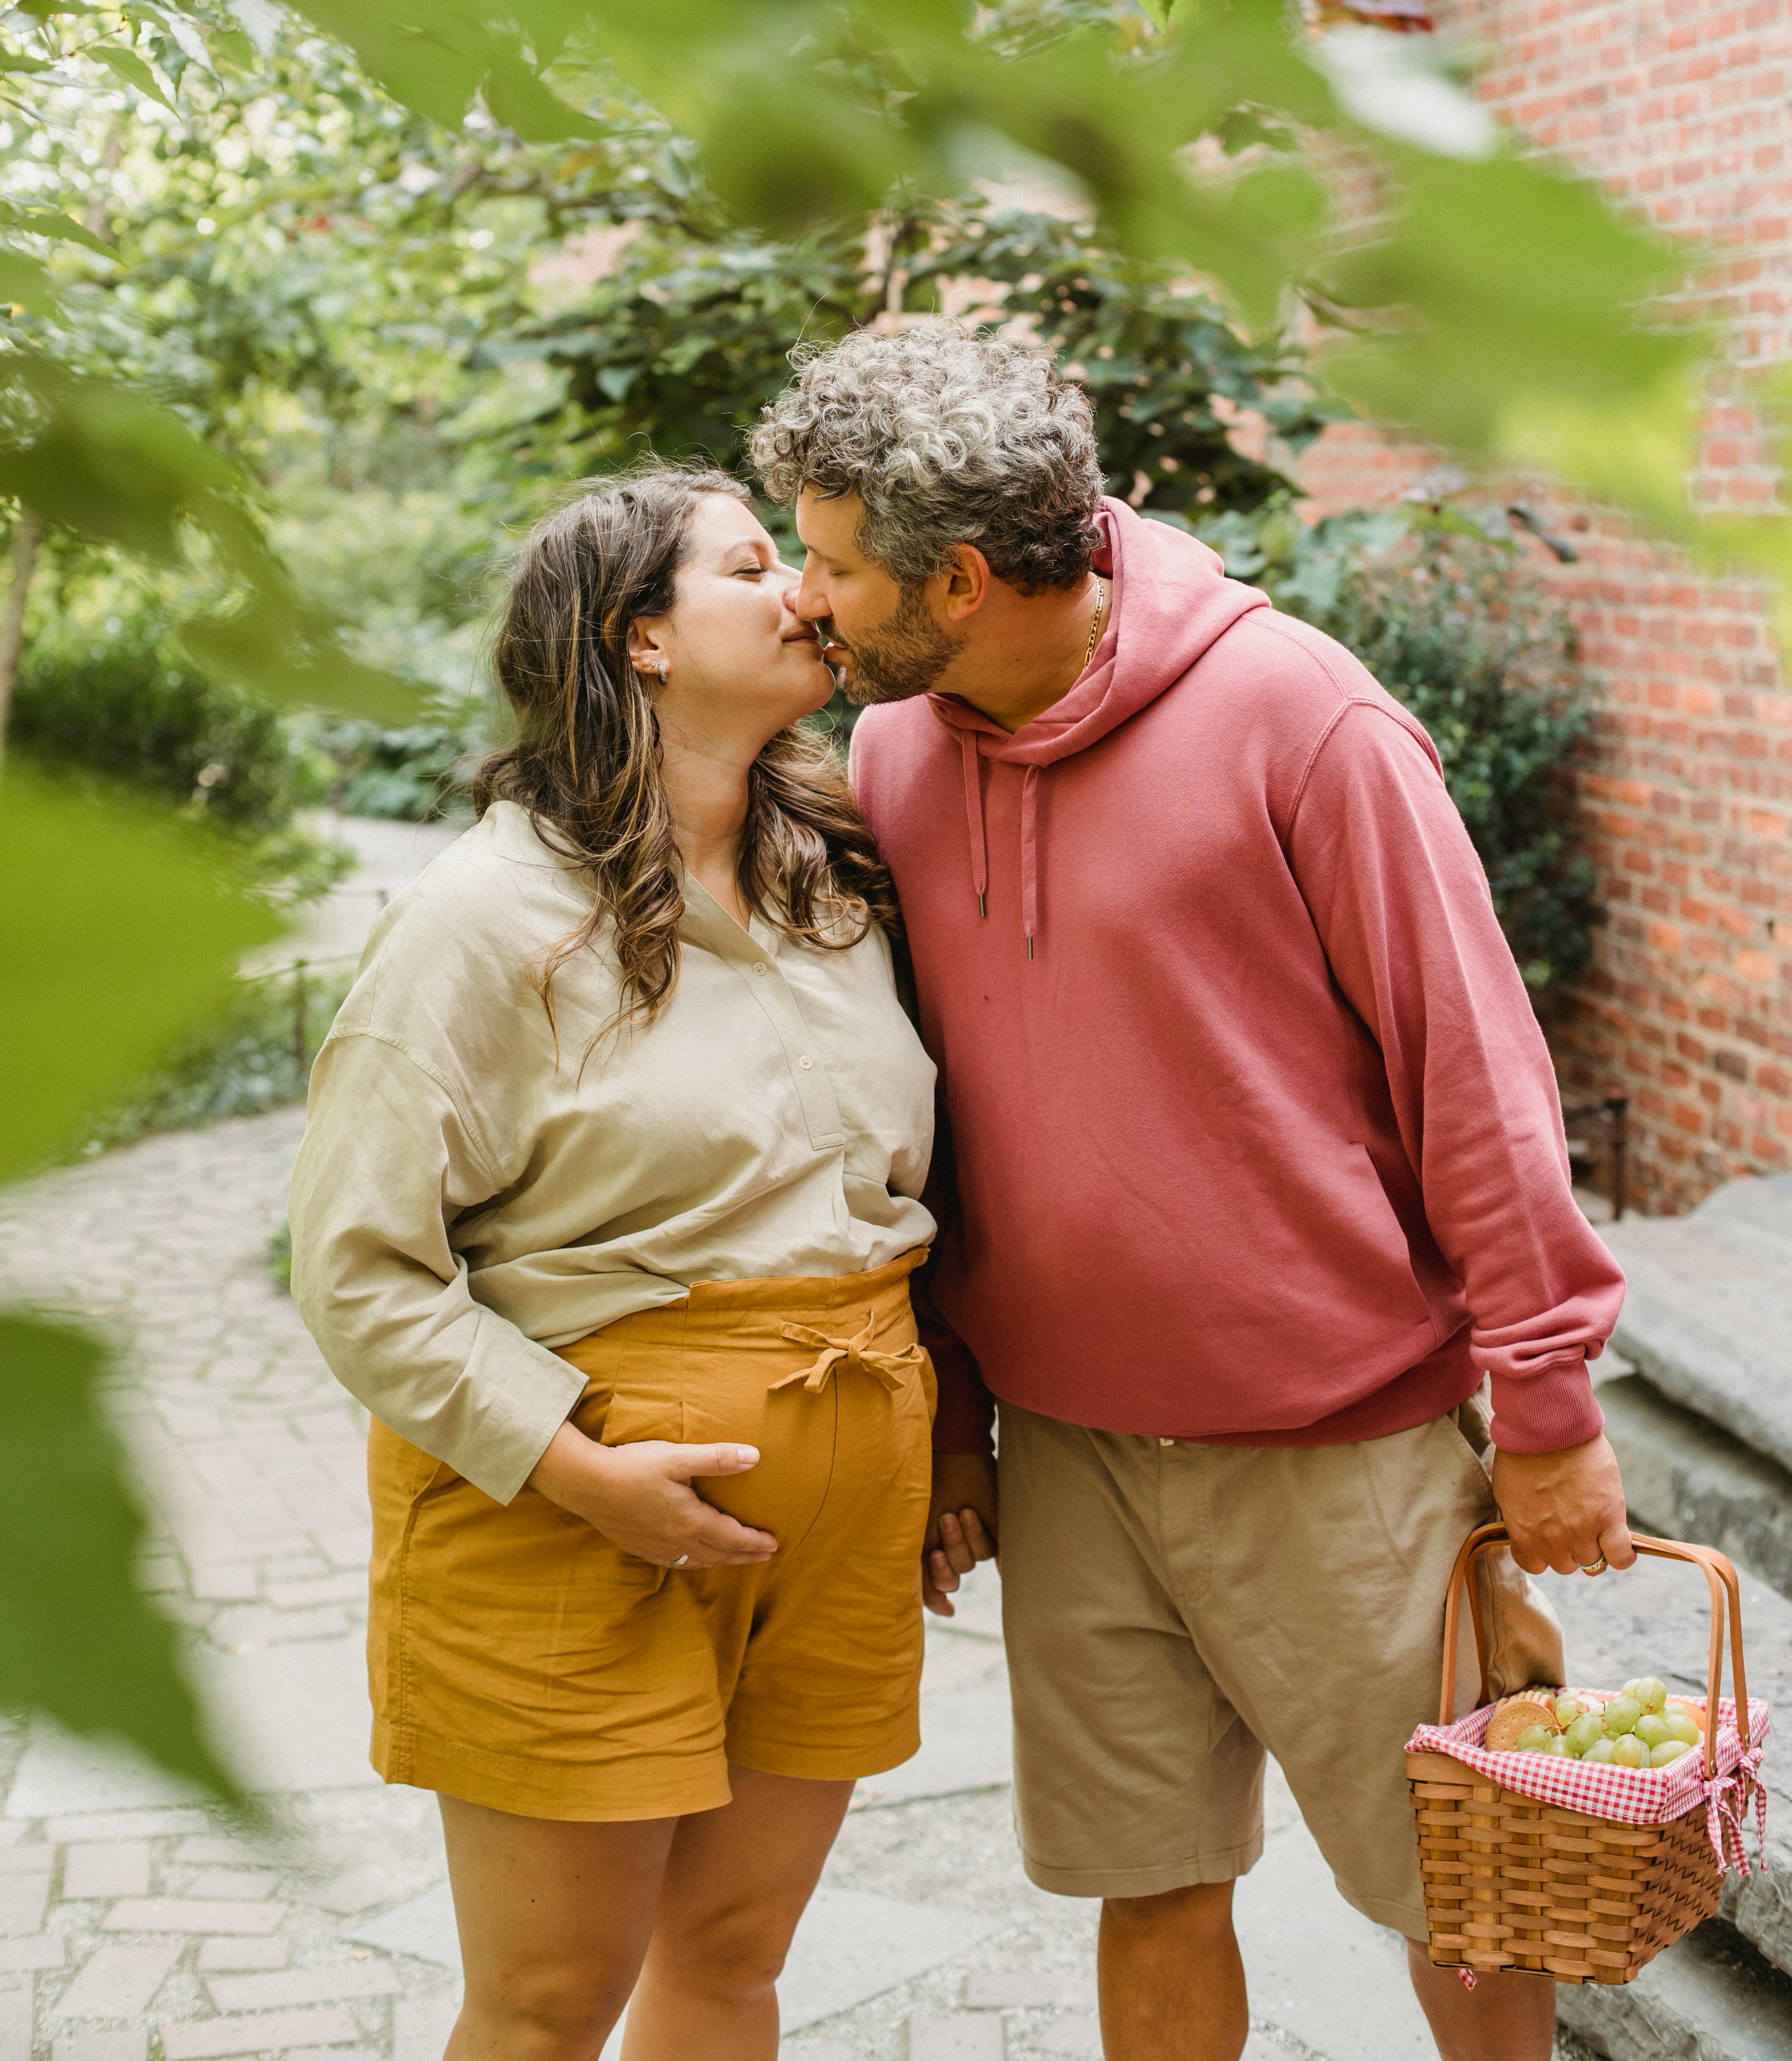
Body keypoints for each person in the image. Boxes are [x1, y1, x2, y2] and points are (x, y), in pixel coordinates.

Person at [750, 323, 1632, 2061]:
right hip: (1070, 1455)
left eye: (837, 562)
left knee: (1462, 1889)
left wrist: (1544, 1405)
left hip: (1339, 1447)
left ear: (970, 578)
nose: (807, 596)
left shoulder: (1302, 719)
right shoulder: (904, 757)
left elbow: (1475, 1079)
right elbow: (936, 1119)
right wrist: (955, 1425)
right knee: (1145, 1886)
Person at [287, 467, 939, 2061]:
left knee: (728, 1961)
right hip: (570, 1527)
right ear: (641, 637)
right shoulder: (482, 922)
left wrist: (956, 1432)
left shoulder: (836, 877)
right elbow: (358, 1267)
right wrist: (579, 1470)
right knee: (547, 2005)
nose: (804, 589)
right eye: (749, 562)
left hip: (841, 1521)